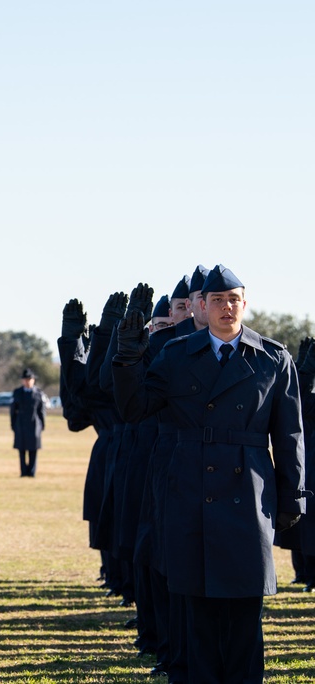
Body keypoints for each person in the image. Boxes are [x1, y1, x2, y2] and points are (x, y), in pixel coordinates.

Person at [112, 264, 307, 683]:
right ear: (201, 305)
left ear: (244, 303)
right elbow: (135, 409)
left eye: (234, 299)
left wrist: (294, 498)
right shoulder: (176, 354)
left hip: (248, 493)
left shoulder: (273, 357)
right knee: (194, 614)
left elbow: (289, 435)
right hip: (189, 490)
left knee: (243, 613)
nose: (226, 307)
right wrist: (126, 359)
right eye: (217, 300)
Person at [10, 367, 46, 477]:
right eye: (25, 379)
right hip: (20, 424)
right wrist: (13, 424)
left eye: (29, 379)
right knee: (21, 450)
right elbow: (12, 410)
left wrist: (42, 425)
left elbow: (42, 411)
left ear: (33, 380)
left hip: (35, 424)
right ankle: (23, 472)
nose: (27, 381)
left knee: (33, 449)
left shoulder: (39, 393)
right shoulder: (17, 393)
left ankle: (32, 472)